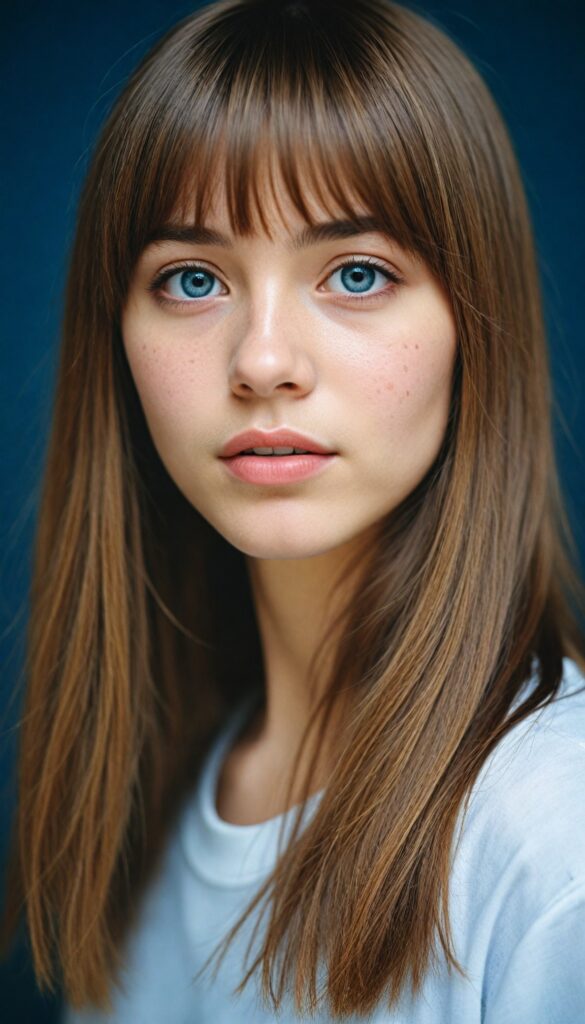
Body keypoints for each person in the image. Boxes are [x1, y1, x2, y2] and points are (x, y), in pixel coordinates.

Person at [2, 0, 584, 1020]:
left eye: (356, 274)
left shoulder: (553, 839)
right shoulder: (148, 810)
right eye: (192, 279)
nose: (263, 359)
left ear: (472, 325)